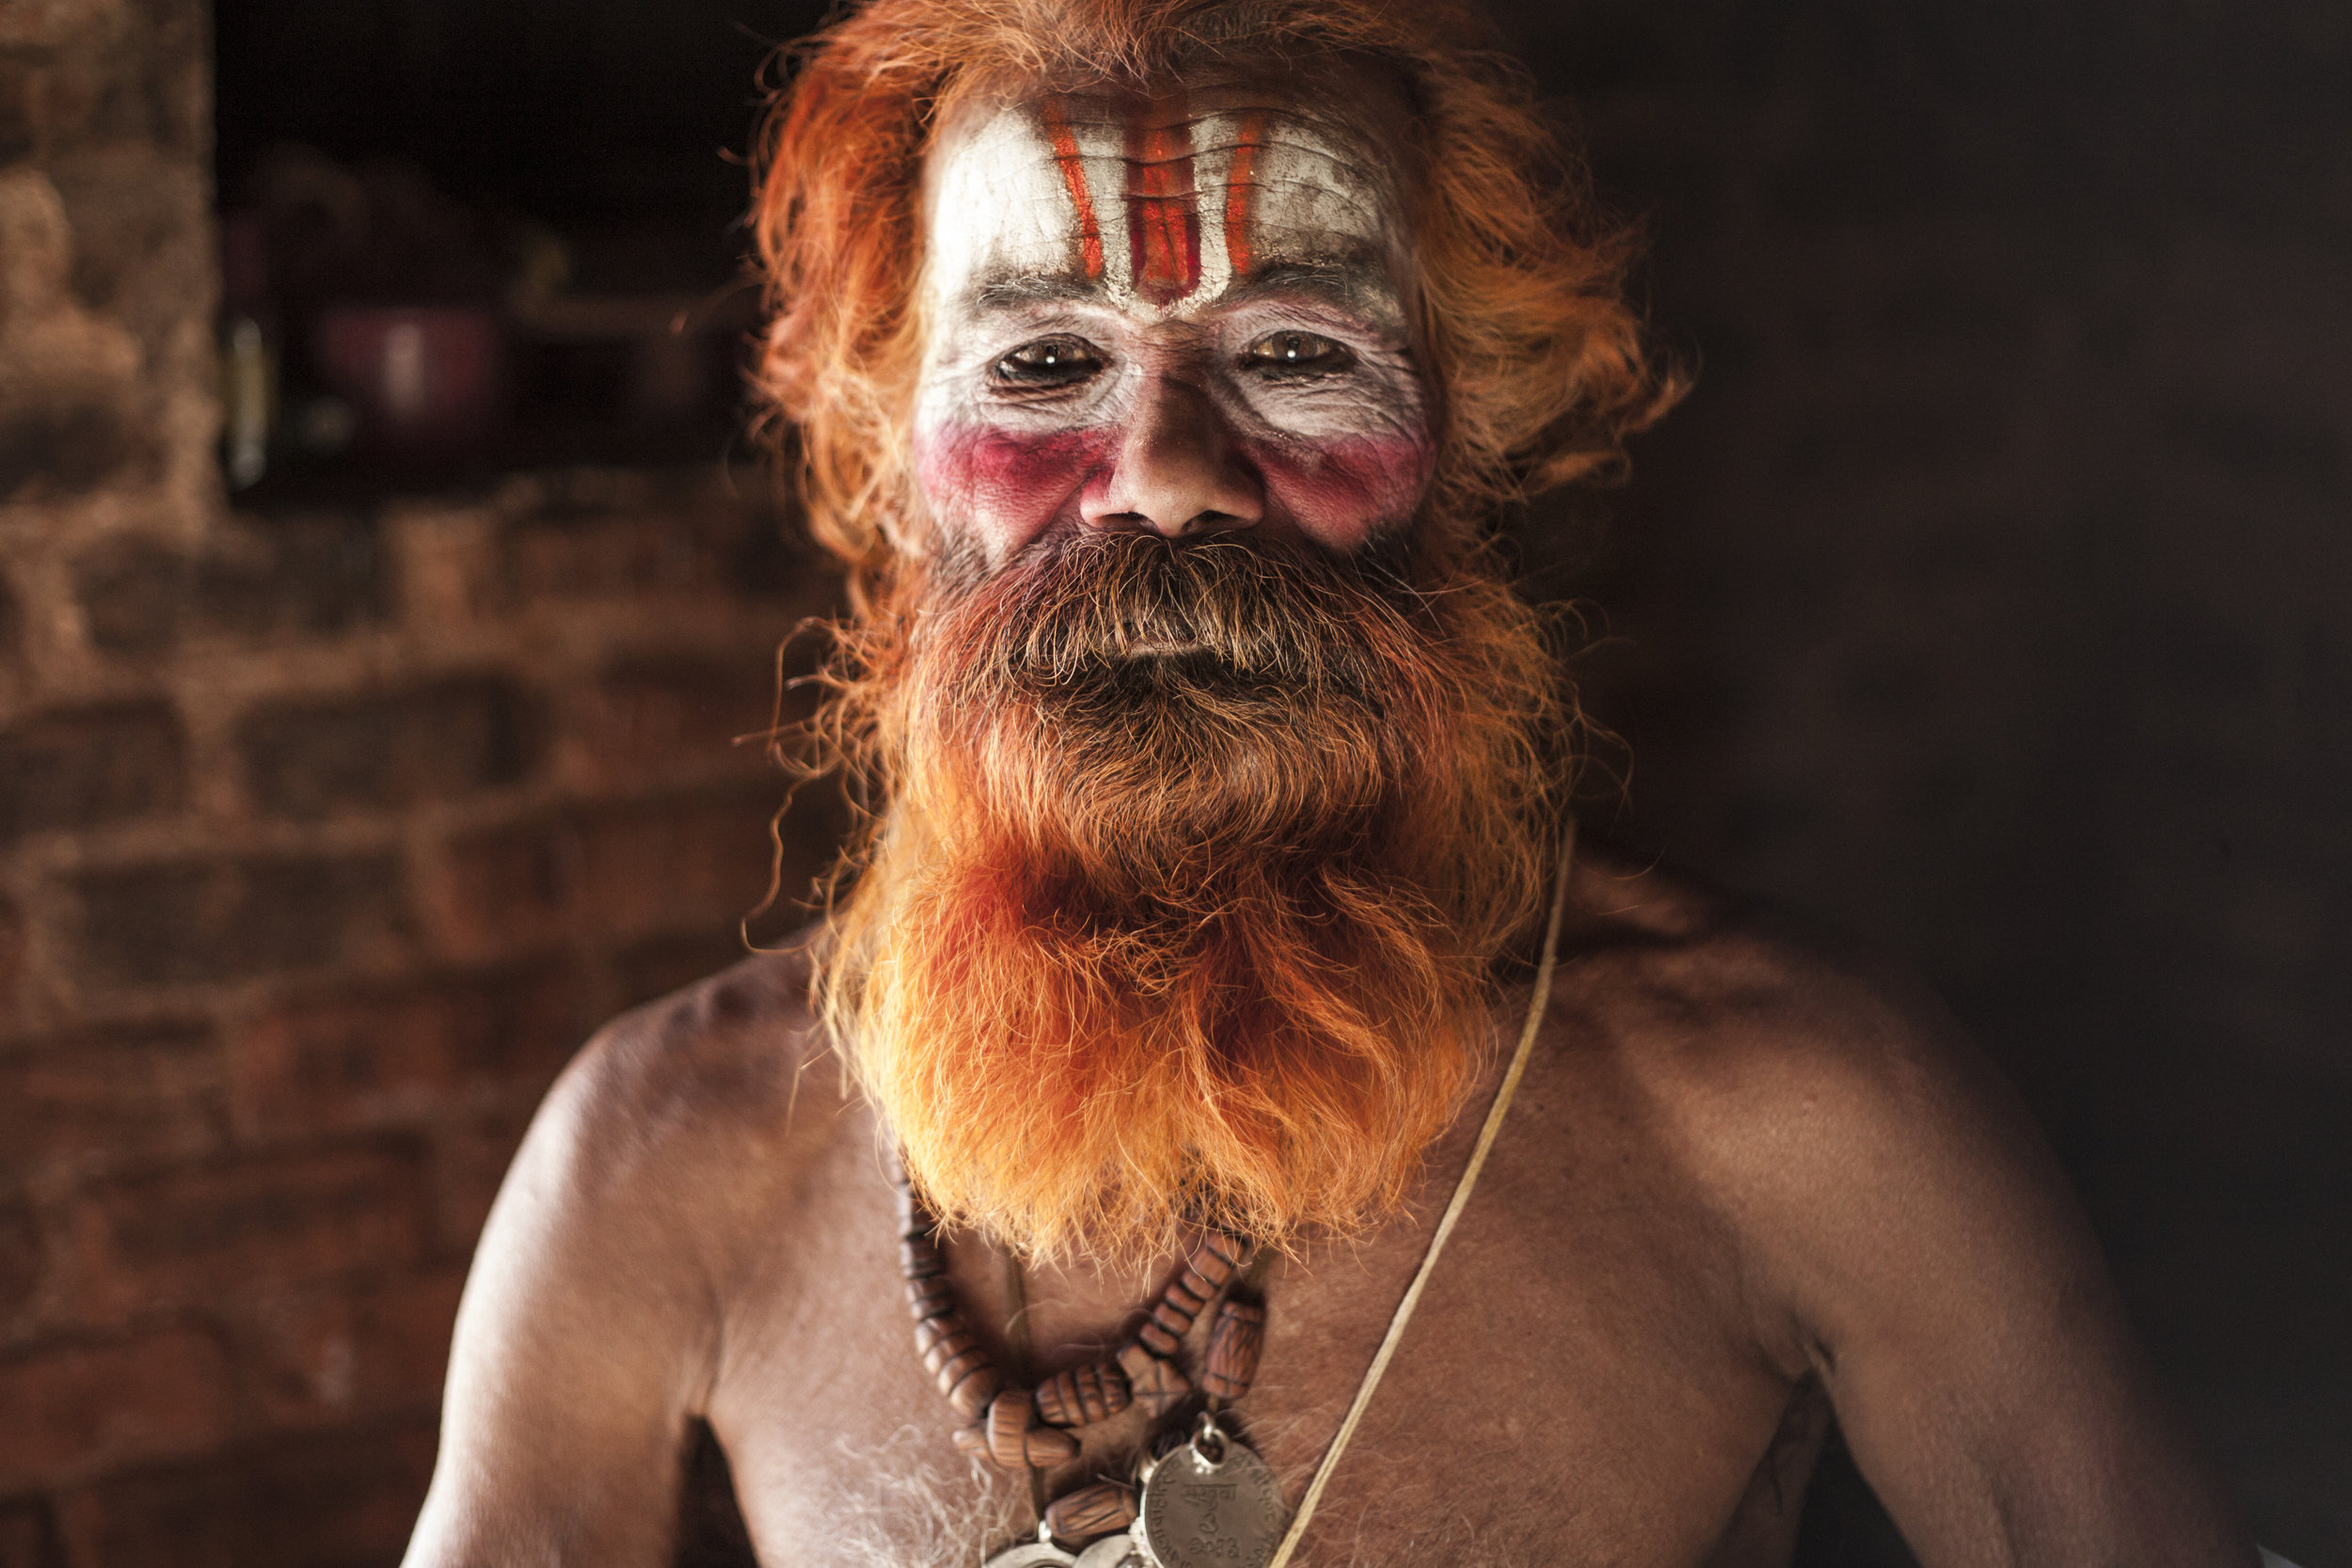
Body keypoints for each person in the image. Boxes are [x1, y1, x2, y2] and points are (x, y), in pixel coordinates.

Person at [402, 1, 2259, 1563]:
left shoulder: (1794, 1113)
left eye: (1293, 351)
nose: (1169, 474)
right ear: (893, 468)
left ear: (1454, 448)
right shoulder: (651, 1162)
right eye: (1046, 361)